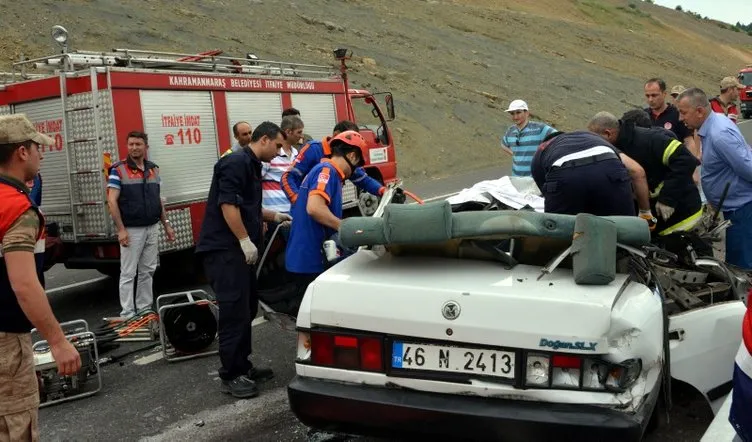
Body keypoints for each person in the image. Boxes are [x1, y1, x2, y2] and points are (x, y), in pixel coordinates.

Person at [195, 121, 292, 398]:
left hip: (239, 253)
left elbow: (248, 206)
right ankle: (231, 374)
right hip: (224, 252)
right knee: (234, 312)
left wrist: (274, 216)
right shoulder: (235, 163)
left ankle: (242, 365)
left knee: (247, 309)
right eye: (276, 146)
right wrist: (243, 240)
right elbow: (228, 205)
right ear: (263, 140)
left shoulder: (252, 165)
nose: (277, 153)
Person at [0, 114, 81, 441]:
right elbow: (23, 284)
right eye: (37, 147)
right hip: (6, 338)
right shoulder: (17, 209)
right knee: (15, 427)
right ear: (21, 152)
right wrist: (59, 342)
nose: (41, 154)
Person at [285, 130, 366, 303]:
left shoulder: (329, 172)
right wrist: (343, 226)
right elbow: (314, 208)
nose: (356, 170)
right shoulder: (326, 171)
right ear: (352, 156)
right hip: (310, 260)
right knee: (312, 321)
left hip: (308, 258)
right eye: (358, 164)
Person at [588, 111, 702, 235]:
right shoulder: (619, 146)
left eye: (596, 139)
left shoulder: (649, 140)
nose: (594, 144)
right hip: (655, 215)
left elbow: (686, 160)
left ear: (608, 133)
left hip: (681, 212)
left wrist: (667, 199)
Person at [676, 87, 752, 270]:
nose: (680, 118)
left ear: (700, 111)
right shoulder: (711, 126)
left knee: (741, 267)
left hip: (742, 208)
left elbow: (749, 169)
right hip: (735, 207)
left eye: (683, 113)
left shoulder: (720, 135)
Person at [107, 131, 176, 319]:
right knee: (128, 272)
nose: (134, 148)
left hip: (152, 227)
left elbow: (158, 200)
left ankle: (145, 307)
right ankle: (128, 312)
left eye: (138, 144)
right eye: (131, 144)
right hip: (131, 229)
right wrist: (121, 230)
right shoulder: (118, 170)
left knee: (148, 270)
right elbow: (112, 202)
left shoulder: (154, 169)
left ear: (146, 147)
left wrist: (166, 225)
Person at [531, 130, 652, 219]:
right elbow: (636, 170)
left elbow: (548, 191)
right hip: (609, 167)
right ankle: (629, 251)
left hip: (566, 174)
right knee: (624, 228)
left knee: (559, 230)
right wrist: (645, 212)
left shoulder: (541, 149)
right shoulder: (591, 137)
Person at [281, 120, 384, 206]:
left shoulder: (347, 158)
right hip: (309, 214)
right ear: (336, 134)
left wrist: (382, 190)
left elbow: (363, 179)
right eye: (349, 140)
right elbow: (288, 177)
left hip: (330, 210)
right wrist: (298, 202)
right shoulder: (313, 149)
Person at [643, 78, 698, 160]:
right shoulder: (643, 115)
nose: (650, 99)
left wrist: (693, 163)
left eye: (654, 95)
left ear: (664, 94)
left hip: (672, 166)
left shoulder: (677, 115)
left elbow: (688, 142)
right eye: (647, 96)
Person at [500, 99, 556, 177]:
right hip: (516, 179)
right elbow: (503, 144)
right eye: (512, 113)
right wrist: (515, 154)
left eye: (518, 112)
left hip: (535, 180)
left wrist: (545, 155)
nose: (515, 117)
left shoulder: (539, 128)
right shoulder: (510, 131)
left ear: (527, 113)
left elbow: (558, 137)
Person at [262, 116, 302, 215]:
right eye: (299, 132)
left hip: (293, 214)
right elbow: (253, 184)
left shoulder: (296, 154)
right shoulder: (269, 156)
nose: (302, 136)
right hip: (274, 215)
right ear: (288, 132)